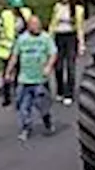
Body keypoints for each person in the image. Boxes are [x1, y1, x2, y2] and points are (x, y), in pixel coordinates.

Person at [6, 14, 57, 142]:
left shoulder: (46, 38)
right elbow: (14, 56)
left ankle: (47, 122)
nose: (37, 26)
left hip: (40, 79)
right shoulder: (22, 39)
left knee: (43, 106)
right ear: (29, 26)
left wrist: (48, 66)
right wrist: (8, 72)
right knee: (23, 107)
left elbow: (53, 53)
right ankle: (25, 128)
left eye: (38, 24)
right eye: (34, 24)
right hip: (24, 79)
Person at [47, 0, 85, 105]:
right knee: (58, 66)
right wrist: (49, 38)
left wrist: (81, 43)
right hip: (59, 36)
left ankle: (69, 93)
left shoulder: (78, 9)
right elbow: (52, 23)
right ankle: (60, 90)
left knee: (70, 66)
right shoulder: (57, 7)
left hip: (70, 37)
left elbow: (80, 27)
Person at [0, 0, 32, 106]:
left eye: (18, 7)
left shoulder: (26, 13)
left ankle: (19, 94)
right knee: (7, 73)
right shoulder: (5, 15)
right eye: (14, 7)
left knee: (20, 72)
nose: (16, 9)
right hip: (7, 49)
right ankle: (7, 96)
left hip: (21, 47)